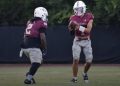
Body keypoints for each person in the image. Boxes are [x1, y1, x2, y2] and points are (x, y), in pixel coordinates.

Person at [20, 7, 48, 84]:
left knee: (40, 61)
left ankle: (30, 74)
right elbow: (42, 38)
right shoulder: (41, 23)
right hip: (33, 46)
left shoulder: (30, 22)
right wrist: (44, 48)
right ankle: (28, 79)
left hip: (25, 46)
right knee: (36, 63)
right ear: (42, 15)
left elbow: (25, 35)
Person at [68, 0, 94, 83]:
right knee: (75, 59)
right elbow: (71, 32)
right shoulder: (72, 17)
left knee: (89, 61)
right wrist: (71, 28)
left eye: (80, 9)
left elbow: (88, 30)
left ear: (84, 8)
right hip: (77, 40)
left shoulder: (89, 16)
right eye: (77, 9)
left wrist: (78, 27)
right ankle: (74, 78)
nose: (78, 11)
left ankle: (84, 73)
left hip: (86, 40)